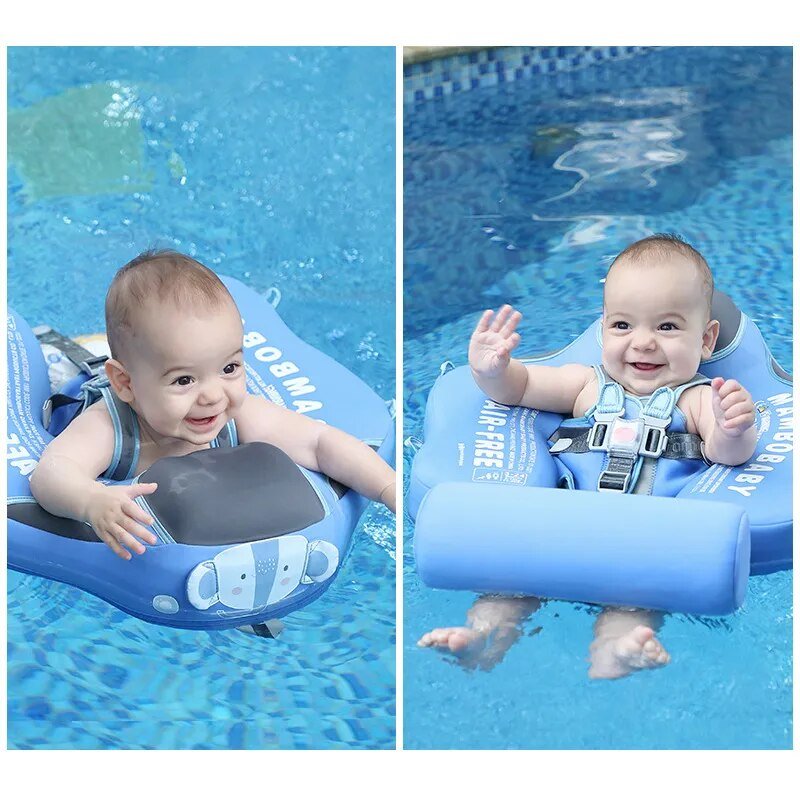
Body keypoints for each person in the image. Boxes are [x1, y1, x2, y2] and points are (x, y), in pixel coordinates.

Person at [418, 234, 757, 679]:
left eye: (667, 327)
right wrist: (493, 370)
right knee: (505, 593)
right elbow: (519, 389)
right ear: (602, 329)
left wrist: (734, 427)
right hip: (560, 529)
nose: (643, 343)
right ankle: (481, 638)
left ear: (707, 340)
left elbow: (725, 452)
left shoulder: (694, 400)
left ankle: (616, 652)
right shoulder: (585, 385)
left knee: (632, 607)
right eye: (622, 326)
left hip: (641, 540)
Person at [30, 250, 396, 562]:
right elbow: (52, 472)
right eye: (184, 380)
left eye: (229, 368)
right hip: (78, 390)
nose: (213, 396)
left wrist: (387, 489)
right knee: (63, 372)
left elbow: (320, 443)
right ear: (126, 384)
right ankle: (68, 347)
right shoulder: (109, 428)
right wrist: (92, 501)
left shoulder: (234, 415)